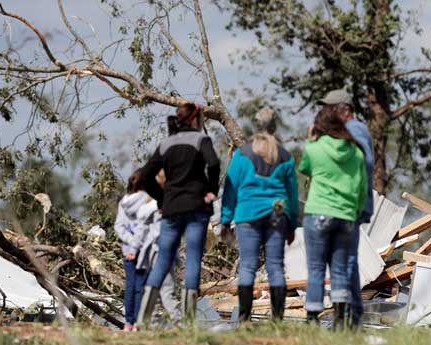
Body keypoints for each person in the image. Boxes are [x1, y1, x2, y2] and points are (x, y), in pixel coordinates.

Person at [136, 103, 220, 327]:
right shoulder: (201, 140)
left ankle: (144, 317)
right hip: (196, 208)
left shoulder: (166, 144)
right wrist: (211, 191)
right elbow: (214, 163)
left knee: (162, 260)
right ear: (195, 119)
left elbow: (144, 176)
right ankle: (189, 321)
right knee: (192, 259)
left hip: (171, 209)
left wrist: (162, 199)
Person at [220, 127, 299, 322]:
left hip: (247, 215)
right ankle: (277, 319)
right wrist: (292, 225)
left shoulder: (242, 154)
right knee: (275, 267)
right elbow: (292, 194)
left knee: (247, 266)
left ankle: (244, 320)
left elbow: (230, 189)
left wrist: (225, 220)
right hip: (276, 215)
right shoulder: (285, 156)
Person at [299, 106, 367, 330]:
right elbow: (362, 188)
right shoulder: (356, 152)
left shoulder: (315, 148)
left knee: (316, 268)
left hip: (318, 213)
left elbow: (305, 169)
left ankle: (312, 320)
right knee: (339, 270)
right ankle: (339, 320)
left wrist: (311, 140)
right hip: (346, 216)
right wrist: (355, 212)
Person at [318, 89, 374, 329]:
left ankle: (350, 319)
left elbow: (365, 163)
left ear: (344, 109)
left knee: (345, 260)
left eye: (330, 108)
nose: (326, 112)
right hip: (351, 203)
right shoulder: (351, 130)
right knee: (345, 259)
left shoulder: (354, 130)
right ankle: (353, 315)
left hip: (350, 204)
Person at [130, 170, 182, 326]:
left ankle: (158, 321)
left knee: (159, 289)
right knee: (161, 290)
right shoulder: (172, 201)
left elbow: (142, 224)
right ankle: (162, 321)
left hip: (158, 252)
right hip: (164, 253)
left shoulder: (156, 203)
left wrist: (134, 248)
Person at [114, 171, 149, 331]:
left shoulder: (123, 202)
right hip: (143, 249)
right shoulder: (149, 201)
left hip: (127, 250)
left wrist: (129, 241)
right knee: (141, 286)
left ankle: (128, 322)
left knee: (130, 286)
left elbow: (118, 226)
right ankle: (138, 322)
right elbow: (147, 227)